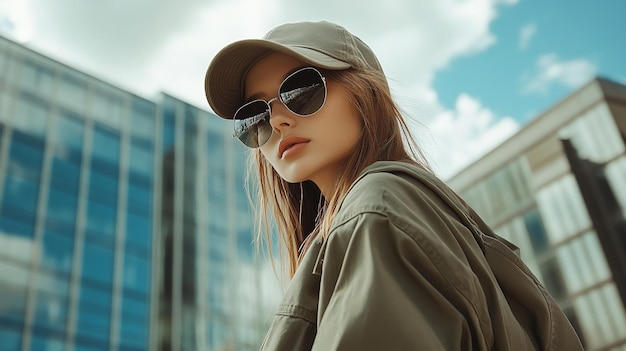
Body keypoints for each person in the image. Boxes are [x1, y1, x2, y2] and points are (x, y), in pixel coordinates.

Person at [204, 21, 583, 350]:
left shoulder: (378, 206)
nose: (279, 121)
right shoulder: (377, 217)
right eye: (255, 114)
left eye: (300, 90)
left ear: (364, 92)